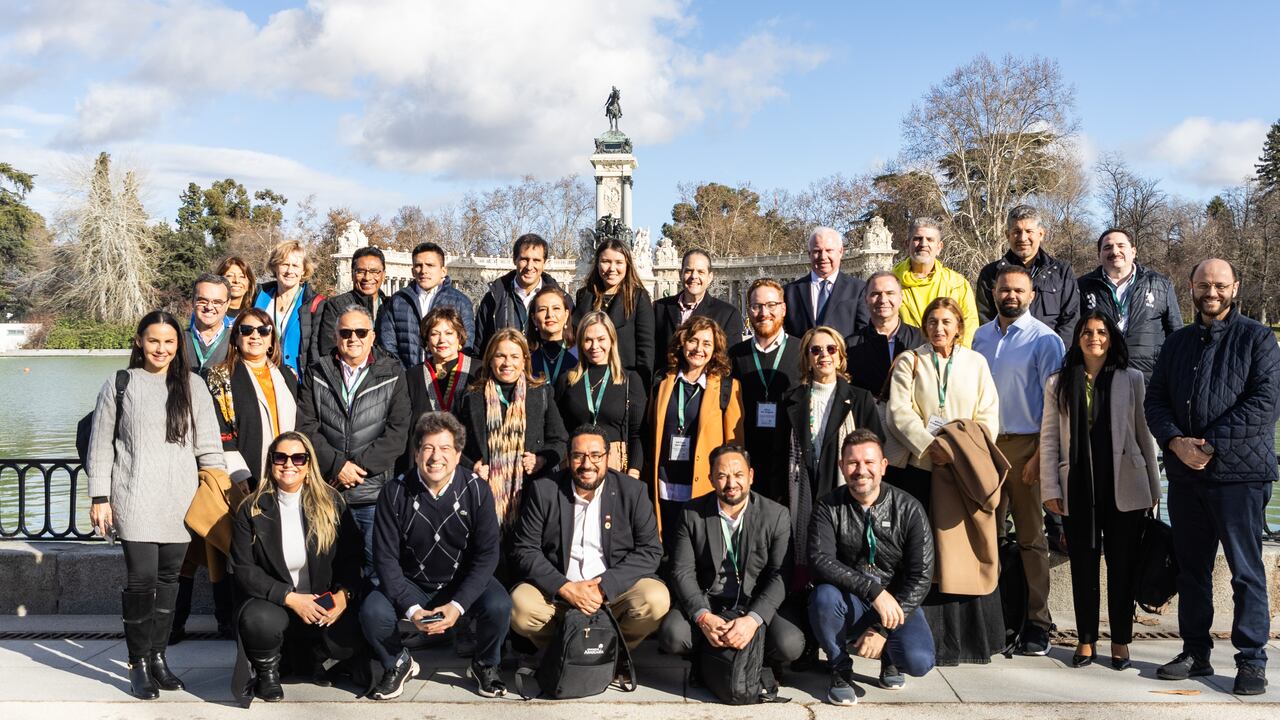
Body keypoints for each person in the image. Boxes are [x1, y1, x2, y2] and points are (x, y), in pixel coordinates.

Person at [1146, 259, 1280, 696]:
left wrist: (1208, 444)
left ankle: (1252, 660)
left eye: (1220, 285)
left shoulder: (1258, 339)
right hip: (1186, 476)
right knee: (1191, 571)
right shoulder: (1177, 342)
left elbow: (1263, 404)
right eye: (1204, 285)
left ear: (1235, 287)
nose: (1212, 292)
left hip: (1240, 476)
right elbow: (1156, 401)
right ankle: (1195, 652)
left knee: (1246, 571)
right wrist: (1174, 442)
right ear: (1191, 287)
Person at [86, 310, 226, 699]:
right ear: (138, 341)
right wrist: (100, 497)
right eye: (153, 340)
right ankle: (138, 663)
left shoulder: (193, 386)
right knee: (141, 581)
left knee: (170, 582)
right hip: (133, 498)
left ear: (178, 345)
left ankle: (160, 657)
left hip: (180, 502)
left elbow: (210, 449)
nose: (161, 349)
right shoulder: (120, 384)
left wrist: (220, 493)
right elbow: (100, 447)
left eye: (169, 342)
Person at [885, 296, 1004, 665]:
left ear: (958, 327)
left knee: (962, 549)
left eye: (947, 322)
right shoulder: (910, 361)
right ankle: (922, 637)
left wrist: (963, 451)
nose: (940, 328)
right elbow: (898, 411)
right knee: (922, 551)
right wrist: (928, 445)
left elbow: (988, 413)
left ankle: (968, 640)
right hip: (920, 468)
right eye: (933, 321)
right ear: (924, 326)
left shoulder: (976, 363)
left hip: (963, 470)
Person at [360, 412, 511, 700]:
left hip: (460, 580)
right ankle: (397, 663)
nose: (435, 457)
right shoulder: (394, 492)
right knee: (372, 611)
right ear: (416, 453)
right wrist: (411, 609)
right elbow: (386, 559)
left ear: (457, 455)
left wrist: (458, 605)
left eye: (444, 449)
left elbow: (487, 555)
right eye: (427, 448)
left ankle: (485, 664)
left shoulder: (477, 490)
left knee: (500, 605)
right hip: (411, 580)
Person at [1040, 311, 1159, 670]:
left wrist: (1154, 487)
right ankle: (1086, 639)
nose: (1095, 337)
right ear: (1077, 338)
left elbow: (1144, 435)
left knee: (1123, 566)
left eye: (1102, 331)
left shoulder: (1131, 379)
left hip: (1125, 484)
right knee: (1084, 567)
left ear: (1112, 337)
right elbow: (1048, 441)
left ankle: (1121, 640)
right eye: (1087, 332)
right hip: (1077, 483)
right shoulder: (1058, 383)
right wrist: (1049, 486)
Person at [173, 307, 299, 643]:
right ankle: (232, 620)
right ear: (236, 336)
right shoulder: (219, 375)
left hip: (285, 473)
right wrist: (238, 471)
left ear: (273, 337)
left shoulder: (285, 375)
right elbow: (219, 428)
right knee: (234, 549)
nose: (255, 336)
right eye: (246, 330)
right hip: (241, 476)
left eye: (263, 330)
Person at [230, 432, 366, 703]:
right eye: (280, 457)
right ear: (270, 462)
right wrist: (290, 598)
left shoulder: (332, 503)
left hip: (321, 600)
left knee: (353, 634)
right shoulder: (251, 508)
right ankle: (268, 673)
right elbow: (244, 569)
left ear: (308, 464)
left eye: (298, 457)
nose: (289, 464)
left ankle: (317, 658)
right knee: (259, 620)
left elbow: (352, 559)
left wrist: (343, 595)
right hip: (276, 602)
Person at [658, 444, 802, 700]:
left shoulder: (776, 515)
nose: (731, 483)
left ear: (751, 476)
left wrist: (754, 619)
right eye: (722, 475)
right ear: (711, 477)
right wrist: (703, 617)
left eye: (738, 474)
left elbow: (780, 575)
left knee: (790, 644)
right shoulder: (692, 513)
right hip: (710, 600)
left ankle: (758, 660)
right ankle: (705, 661)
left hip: (753, 602)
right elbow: (681, 571)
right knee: (673, 635)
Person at [972, 266, 1065, 656]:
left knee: (1031, 539)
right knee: (986, 537)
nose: (1010, 295)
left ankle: (1038, 624)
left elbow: (1054, 406)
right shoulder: (979, 336)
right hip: (986, 446)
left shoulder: (1046, 340)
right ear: (994, 292)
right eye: (1004, 289)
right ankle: (991, 618)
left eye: (1018, 290)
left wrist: (1041, 458)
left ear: (1031, 295)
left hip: (1027, 445)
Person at [510, 424, 670, 651]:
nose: (587, 464)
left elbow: (651, 550)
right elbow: (525, 550)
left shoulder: (633, 491)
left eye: (596, 456)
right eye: (578, 456)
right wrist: (564, 587)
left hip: (613, 595)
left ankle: (614, 654)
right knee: (519, 605)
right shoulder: (544, 490)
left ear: (608, 457)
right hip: (560, 596)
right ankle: (566, 653)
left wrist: (604, 587)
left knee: (656, 598)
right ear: (568, 458)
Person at [809, 430, 935, 704]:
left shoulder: (909, 508)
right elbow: (821, 560)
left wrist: (883, 629)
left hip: (896, 602)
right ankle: (840, 668)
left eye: (869, 462)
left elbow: (922, 575)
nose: (861, 470)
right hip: (849, 599)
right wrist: (874, 591)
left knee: (919, 662)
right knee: (823, 597)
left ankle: (890, 658)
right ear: (842, 467)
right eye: (852, 463)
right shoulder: (828, 507)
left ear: (883, 466)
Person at [296, 304, 411, 576]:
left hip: (373, 493)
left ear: (372, 336)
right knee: (329, 570)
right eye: (346, 332)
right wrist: (337, 466)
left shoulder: (392, 372)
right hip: (328, 490)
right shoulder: (317, 372)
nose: (353, 338)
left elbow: (397, 432)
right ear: (335, 336)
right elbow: (306, 426)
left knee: (375, 571)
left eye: (361, 332)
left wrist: (357, 469)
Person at [784, 325, 883, 575]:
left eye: (831, 349)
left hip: (845, 493)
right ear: (807, 358)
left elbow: (876, 447)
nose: (823, 355)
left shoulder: (860, 398)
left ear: (840, 356)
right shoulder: (791, 399)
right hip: (804, 491)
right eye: (815, 350)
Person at [456, 328, 568, 530]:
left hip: (531, 499)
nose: (508, 363)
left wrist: (542, 459)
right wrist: (472, 466)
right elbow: (454, 445)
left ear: (524, 360)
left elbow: (560, 440)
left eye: (515, 356)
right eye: (500, 356)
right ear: (490, 360)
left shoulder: (541, 393)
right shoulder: (471, 398)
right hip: (484, 501)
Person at [645, 316, 745, 537]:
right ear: (682, 343)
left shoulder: (727, 387)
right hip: (665, 483)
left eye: (707, 344)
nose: (698, 349)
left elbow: (735, 447)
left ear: (715, 349)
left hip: (703, 486)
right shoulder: (662, 382)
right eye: (693, 340)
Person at [728, 279, 802, 503]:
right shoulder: (735, 355)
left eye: (771, 305)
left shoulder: (803, 351)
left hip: (790, 462)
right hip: (748, 459)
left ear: (783, 308)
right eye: (756, 306)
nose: (764, 312)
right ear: (748, 310)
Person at [1077, 228, 1182, 380]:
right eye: (1107, 247)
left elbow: (1176, 335)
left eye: (1121, 246)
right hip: (1100, 379)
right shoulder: (1082, 286)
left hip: (1150, 380)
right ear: (1099, 254)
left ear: (1133, 251)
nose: (1115, 251)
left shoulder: (1161, 285)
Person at [556, 311, 645, 477]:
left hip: (615, 464)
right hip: (577, 464)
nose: (594, 346)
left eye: (601, 339)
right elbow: (559, 431)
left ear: (612, 340)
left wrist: (634, 472)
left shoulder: (630, 380)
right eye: (588, 340)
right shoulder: (567, 381)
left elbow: (637, 434)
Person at [976, 205, 1081, 346]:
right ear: (1007, 235)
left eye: (1029, 231)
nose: (1023, 237)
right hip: (1007, 356)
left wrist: (1057, 354)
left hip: (1051, 357)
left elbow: (1071, 319)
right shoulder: (991, 273)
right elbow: (985, 319)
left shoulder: (1062, 272)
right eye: (1016, 232)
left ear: (1041, 234)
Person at [572, 237, 656, 389]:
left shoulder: (638, 297)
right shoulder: (584, 296)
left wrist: (643, 386)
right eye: (606, 261)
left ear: (627, 265)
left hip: (625, 379)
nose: (612, 268)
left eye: (618, 262)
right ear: (597, 263)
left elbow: (646, 347)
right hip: (589, 380)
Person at [380, 242, 475, 368]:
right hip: (408, 379)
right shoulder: (398, 300)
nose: (423, 270)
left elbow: (466, 344)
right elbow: (388, 345)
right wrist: (404, 376)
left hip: (449, 379)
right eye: (418, 265)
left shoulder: (461, 302)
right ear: (413, 271)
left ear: (443, 271)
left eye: (430, 265)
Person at [403, 307, 475, 467]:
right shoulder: (412, 376)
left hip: (468, 463)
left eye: (449, 333)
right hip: (426, 463)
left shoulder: (478, 371)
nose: (442, 340)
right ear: (427, 340)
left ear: (459, 338)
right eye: (435, 334)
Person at [892, 217, 980, 347]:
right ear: (907, 244)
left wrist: (954, 358)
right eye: (917, 238)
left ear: (939, 247)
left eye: (930, 240)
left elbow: (969, 327)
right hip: (905, 359)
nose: (923, 244)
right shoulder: (891, 283)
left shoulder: (957, 284)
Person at [476, 233, 569, 352]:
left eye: (536, 260)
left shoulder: (562, 299)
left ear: (544, 263)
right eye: (524, 259)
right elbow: (479, 348)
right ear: (515, 260)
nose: (530, 266)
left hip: (549, 368)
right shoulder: (494, 298)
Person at [653, 249, 743, 366]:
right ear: (681, 274)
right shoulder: (659, 308)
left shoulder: (728, 314)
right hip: (665, 382)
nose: (694, 276)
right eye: (689, 271)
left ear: (710, 277)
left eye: (700, 272)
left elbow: (730, 360)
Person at [845, 271, 924, 396]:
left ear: (901, 298)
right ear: (866, 299)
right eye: (875, 294)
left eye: (890, 293)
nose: (883, 300)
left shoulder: (921, 340)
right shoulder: (849, 345)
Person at [253, 239, 324, 377]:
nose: (289, 270)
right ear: (274, 267)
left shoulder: (315, 304)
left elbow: (317, 354)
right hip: (259, 376)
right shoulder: (258, 297)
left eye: (295, 265)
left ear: (303, 270)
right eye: (284, 264)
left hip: (297, 381)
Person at [783, 226, 868, 340]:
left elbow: (863, 334)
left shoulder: (859, 290)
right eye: (817, 251)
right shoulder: (789, 292)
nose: (823, 257)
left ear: (840, 251)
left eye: (829, 250)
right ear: (809, 254)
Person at [318, 246, 390, 359]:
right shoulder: (336, 305)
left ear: (383, 275)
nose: (367, 277)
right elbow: (328, 348)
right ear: (352, 274)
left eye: (374, 271)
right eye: (360, 271)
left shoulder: (391, 305)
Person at [528, 286, 578, 389]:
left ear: (566, 315)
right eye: (542, 309)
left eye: (556, 308)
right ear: (533, 318)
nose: (550, 314)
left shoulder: (580, 354)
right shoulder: (525, 357)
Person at [185, 273, 233, 373]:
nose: (209, 307)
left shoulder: (236, 342)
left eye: (217, 302)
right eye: (202, 301)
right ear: (193, 301)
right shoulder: (177, 340)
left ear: (227, 304)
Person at [218, 256, 257, 320]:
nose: (236, 280)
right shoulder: (210, 313)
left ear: (249, 283)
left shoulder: (255, 315)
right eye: (229, 276)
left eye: (241, 276)